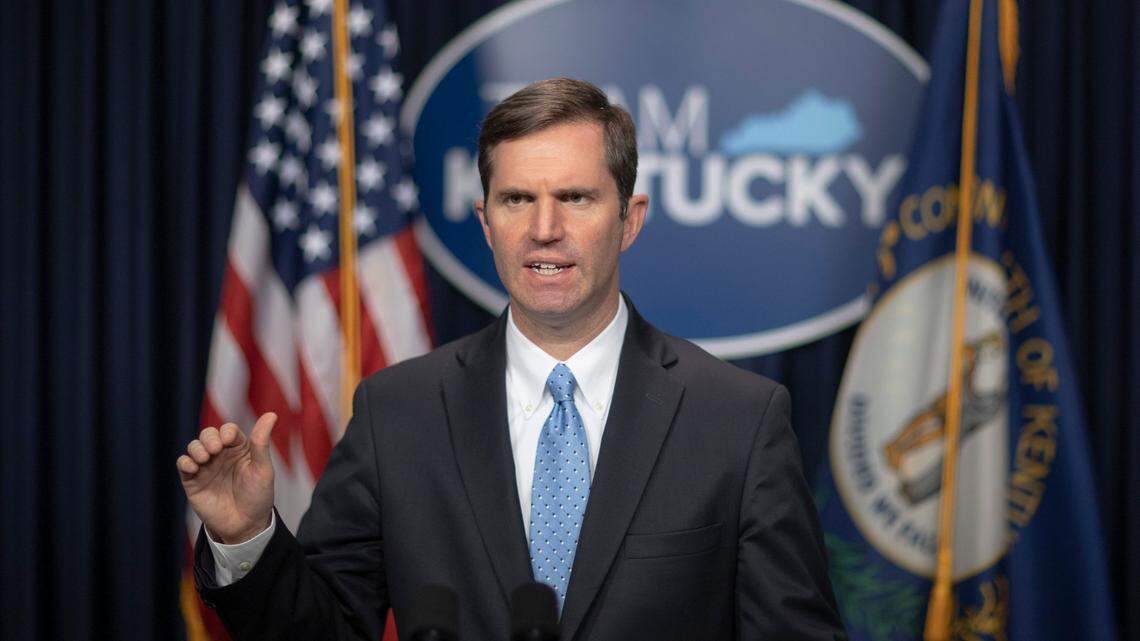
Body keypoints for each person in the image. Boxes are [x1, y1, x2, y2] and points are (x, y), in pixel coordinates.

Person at [178, 77, 846, 640]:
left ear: (630, 219)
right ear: (486, 220)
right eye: (517, 199)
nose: (544, 228)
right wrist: (248, 536)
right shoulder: (397, 413)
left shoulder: (737, 418)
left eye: (575, 198)